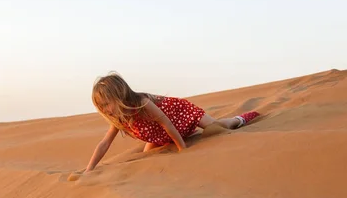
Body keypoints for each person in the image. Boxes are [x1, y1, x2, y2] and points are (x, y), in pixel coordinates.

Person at [84, 72, 260, 173]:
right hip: (158, 135)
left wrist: (182, 149)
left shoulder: (142, 103)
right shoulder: (120, 117)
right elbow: (104, 143)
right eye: (101, 106)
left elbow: (166, 123)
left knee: (218, 128)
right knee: (147, 158)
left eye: (107, 103)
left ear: (119, 95)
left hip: (179, 114)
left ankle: (239, 119)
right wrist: (89, 169)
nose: (105, 109)